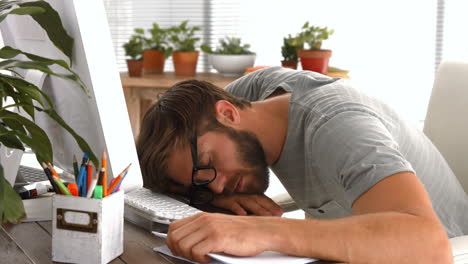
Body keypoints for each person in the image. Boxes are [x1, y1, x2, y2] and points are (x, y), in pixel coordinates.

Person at [137, 66, 467, 263]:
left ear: (227, 113)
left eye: (208, 165)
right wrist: (212, 196)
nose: (217, 183)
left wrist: (264, 232)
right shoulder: (255, 96)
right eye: (202, 181)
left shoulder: (338, 126)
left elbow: (430, 246)